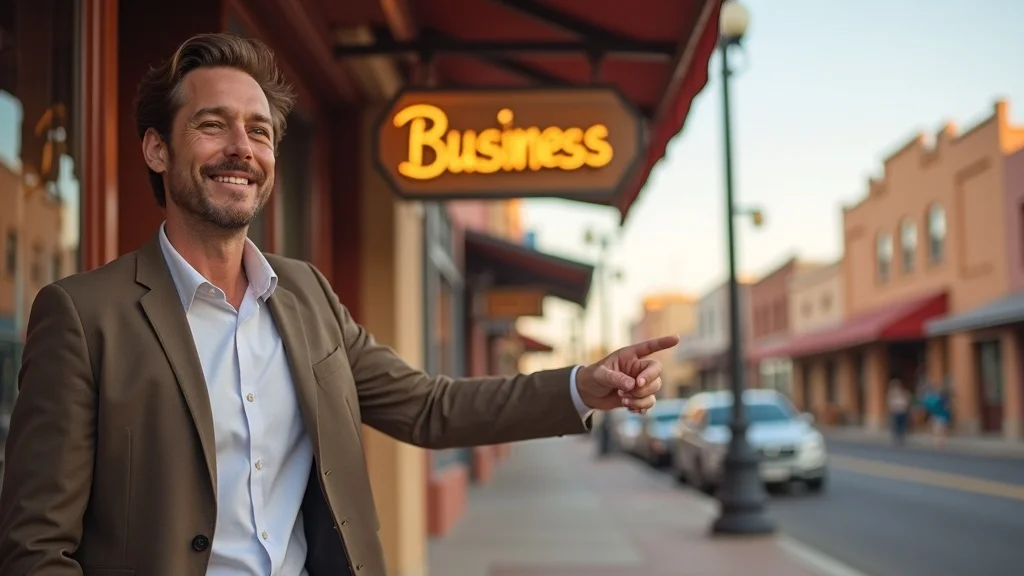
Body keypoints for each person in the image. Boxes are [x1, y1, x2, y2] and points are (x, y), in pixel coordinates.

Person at [0, 33, 676, 576]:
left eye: (259, 131)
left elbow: (429, 406)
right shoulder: (83, 316)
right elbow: (36, 547)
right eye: (213, 125)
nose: (242, 147)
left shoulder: (308, 296)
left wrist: (581, 387)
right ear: (156, 149)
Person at [887, 378, 911, 445]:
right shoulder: (891, 394)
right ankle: (895, 438)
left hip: (902, 411)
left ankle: (901, 438)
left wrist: (904, 406)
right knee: (895, 426)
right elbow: (890, 403)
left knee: (902, 426)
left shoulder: (903, 392)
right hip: (896, 411)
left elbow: (906, 401)